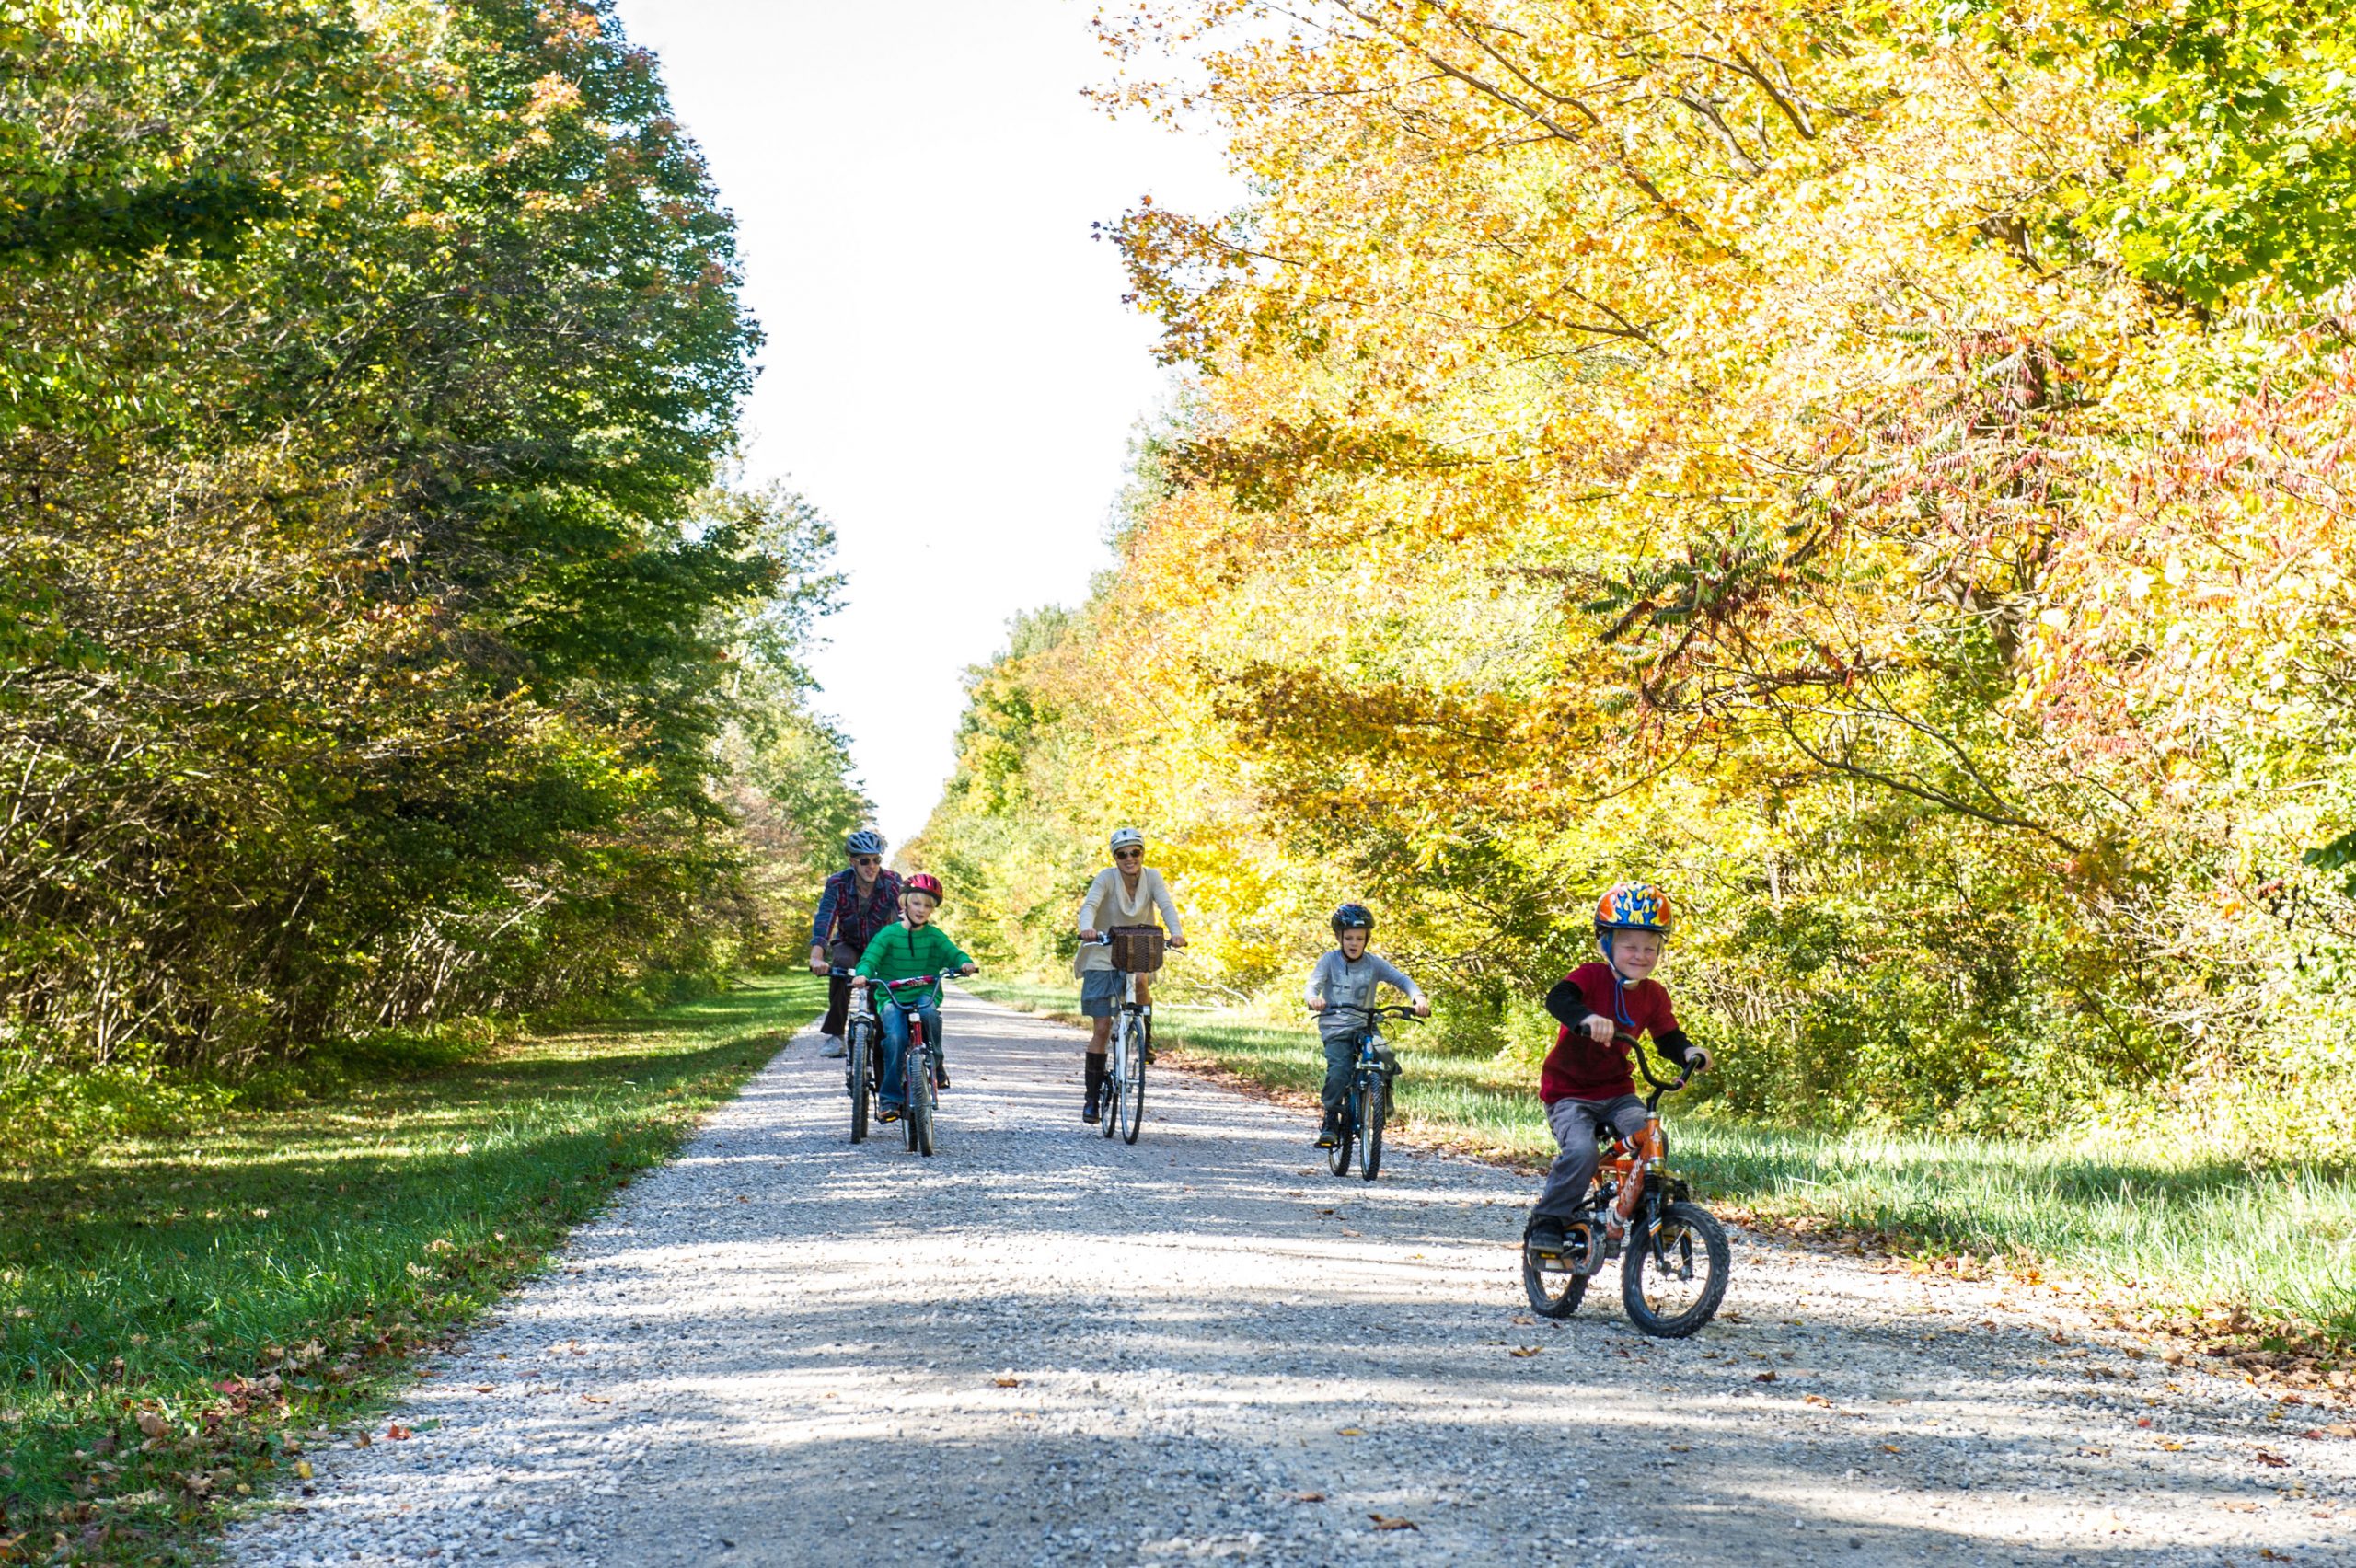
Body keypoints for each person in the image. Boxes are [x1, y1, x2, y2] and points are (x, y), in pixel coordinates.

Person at [1526, 882, 1714, 1255]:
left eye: (1650, 947)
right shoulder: (1591, 976)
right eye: (1630, 945)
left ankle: (1648, 1211)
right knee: (1582, 1153)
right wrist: (1587, 1018)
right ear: (1606, 946)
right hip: (1569, 1092)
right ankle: (1549, 1218)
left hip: (1616, 1092)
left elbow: (1667, 1035)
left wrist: (1688, 1050)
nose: (1641, 955)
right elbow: (1557, 998)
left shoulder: (1653, 994)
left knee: (1653, 1141)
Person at [1074, 826, 1185, 1124]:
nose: (1129, 858)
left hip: (1136, 948)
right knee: (1101, 1027)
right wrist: (1087, 929)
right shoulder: (1106, 878)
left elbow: (1166, 906)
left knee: (1139, 979)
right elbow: (1090, 905)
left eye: (1135, 852)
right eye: (1122, 854)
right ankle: (1091, 1099)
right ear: (1115, 857)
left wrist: (1176, 933)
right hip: (1102, 951)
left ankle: (1144, 1036)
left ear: (1142, 853)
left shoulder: (1153, 877)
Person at [851, 872, 977, 1122]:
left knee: (930, 1013)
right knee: (895, 1038)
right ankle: (889, 1099)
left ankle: (937, 1064)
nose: (921, 909)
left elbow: (953, 953)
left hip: (923, 992)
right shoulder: (888, 934)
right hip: (891, 995)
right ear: (904, 903)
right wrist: (862, 975)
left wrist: (965, 962)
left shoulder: (933, 936)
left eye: (928, 906)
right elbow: (870, 959)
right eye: (917, 903)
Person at [1304, 903, 1429, 1147]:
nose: (1354, 943)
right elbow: (1312, 985)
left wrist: (1419, 998)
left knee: (1385, 1056)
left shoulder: (1374, 964)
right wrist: (1313, 999)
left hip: (1366, 1024)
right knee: (1340, 1070)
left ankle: (1383, 1103)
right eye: (1348, 937)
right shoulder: (1329, 961)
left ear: (1367, 939)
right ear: (1339, 937)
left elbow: (1402, 979)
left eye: (1359, 938)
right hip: (1336, 1027)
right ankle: (1331, 1117)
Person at [809, 830, 903, 1057]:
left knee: (879, 992)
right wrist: (816, 957)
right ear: (853, 862)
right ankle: (835, 1035)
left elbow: (904, 916)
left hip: (881, 946)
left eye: (876, 860)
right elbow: (825, 919)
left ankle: (883, 1039)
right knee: (841, 966)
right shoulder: (838, 883)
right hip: (849, 942)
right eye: (864, 861)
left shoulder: (892, 882)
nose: (871, 866)